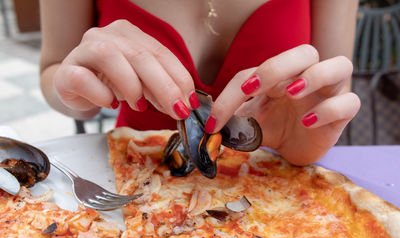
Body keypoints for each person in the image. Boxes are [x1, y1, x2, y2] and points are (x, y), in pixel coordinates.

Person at [39, 0, 361, 166]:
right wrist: (75, 85)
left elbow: (332, 85)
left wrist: (311, 123)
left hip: (281, 180)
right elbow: (53, 70)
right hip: (130, 182)